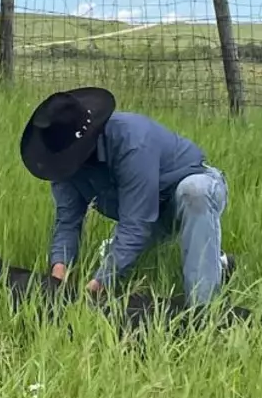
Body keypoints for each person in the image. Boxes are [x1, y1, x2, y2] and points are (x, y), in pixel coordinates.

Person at [19, 86, 235, 308]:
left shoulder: (132, 141)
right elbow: (67, 222)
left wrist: (98, 284)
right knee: (123, 261)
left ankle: (204, 309)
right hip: (145, 213)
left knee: (194, 192)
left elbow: (135, 225)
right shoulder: (63, 165)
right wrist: (58, 273)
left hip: (186, 194)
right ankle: (218, 264)